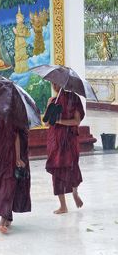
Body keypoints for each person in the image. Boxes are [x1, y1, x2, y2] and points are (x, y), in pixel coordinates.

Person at [0, 109, 31, 234]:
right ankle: (7, 216)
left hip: (10, 154)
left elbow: (16, 136)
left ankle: (3, 221)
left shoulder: (10, 110)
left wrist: (18, 157)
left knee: (7, 185)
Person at [45, 83, 84, 214]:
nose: (55, 85)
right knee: (56, 169)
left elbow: (76, 121)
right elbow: (46, 123)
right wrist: (50, 110)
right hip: (55, 141)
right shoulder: (52, 100)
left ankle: (75, 193)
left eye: (57, 83)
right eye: (53, 83)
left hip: (69, 140)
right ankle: (63, 205)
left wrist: (59, 121)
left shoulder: (74, 99)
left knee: (72, 166)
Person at [13, 6, 30, 73]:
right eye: (16, 18)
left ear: (21, 19)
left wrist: (16, 33)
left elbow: (24, 34)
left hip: (21, 41)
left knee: (22, 55)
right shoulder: (17, 26)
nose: (16, 20)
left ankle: (23, 69)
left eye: (17, 18)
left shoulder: (23, 26)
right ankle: (18, 69)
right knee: (18, 55)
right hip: (17, 41)